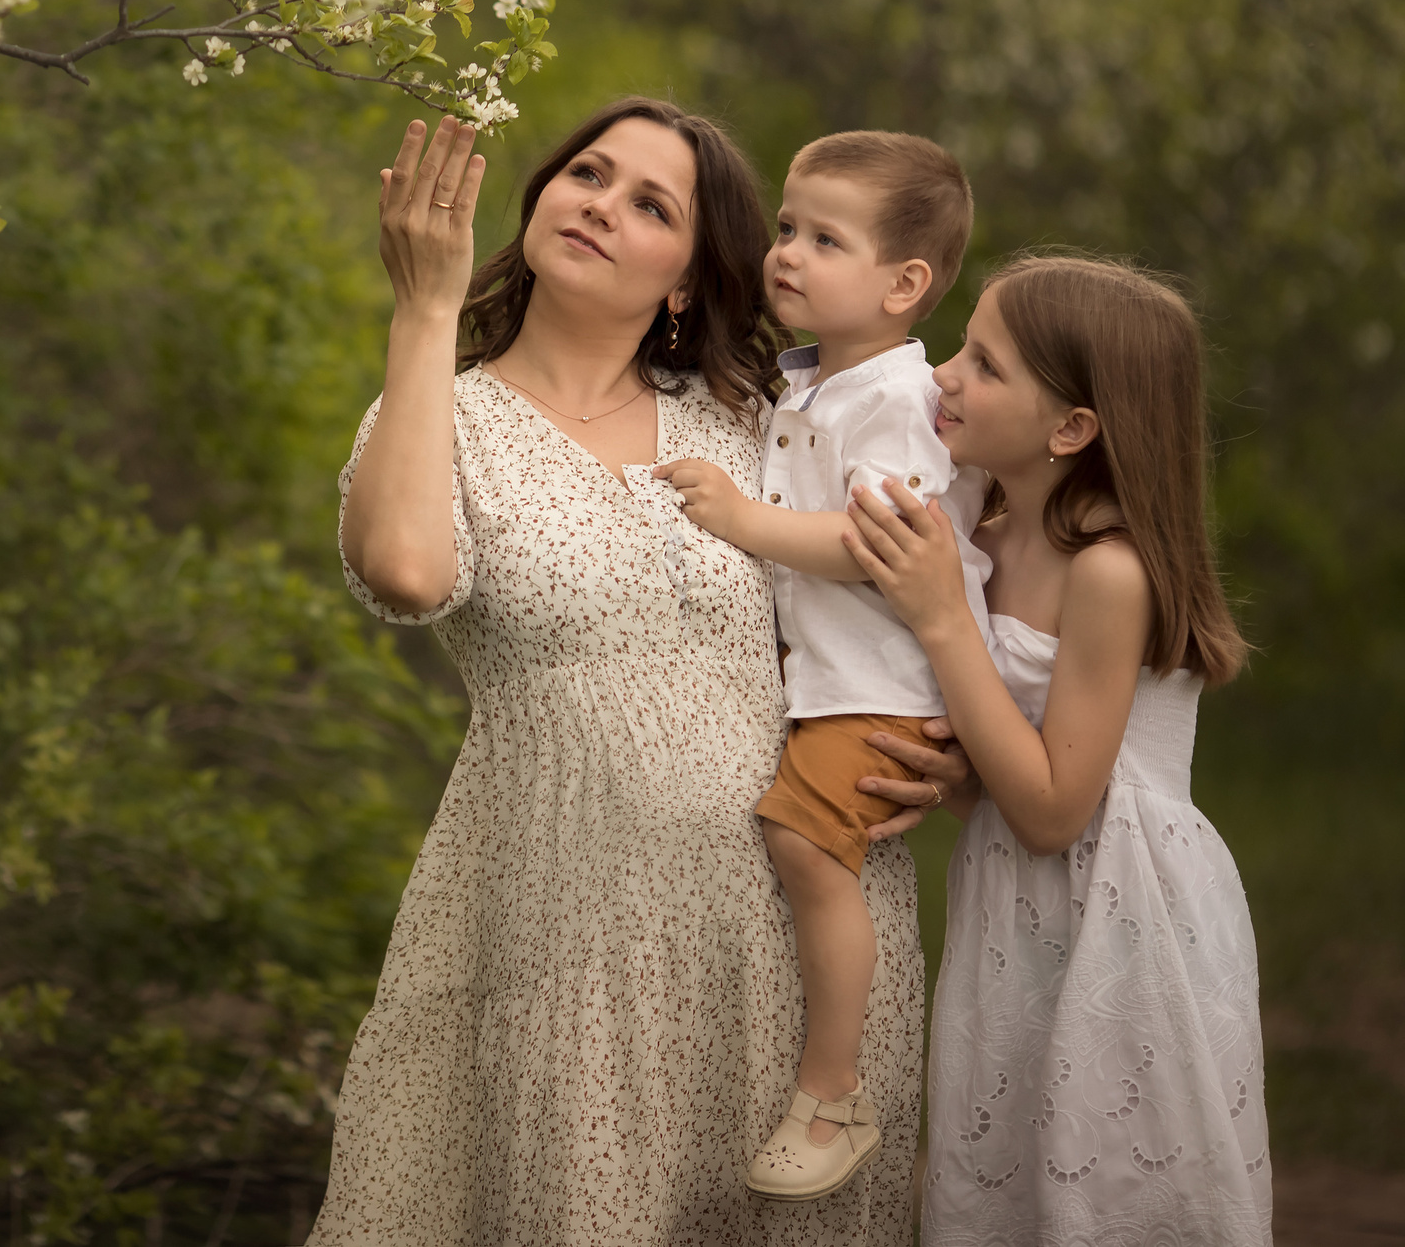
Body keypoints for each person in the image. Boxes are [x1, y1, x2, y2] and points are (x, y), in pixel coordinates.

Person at [320, 99, 967, 1247]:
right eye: (587, 175)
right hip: (570, 940)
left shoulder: (753, 421)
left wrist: (944, 747)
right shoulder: (441, 413)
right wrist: (424, 309)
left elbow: (901, 587)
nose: (602, 205)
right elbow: (410, 573)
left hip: (795, 938)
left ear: (685, 276)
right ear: (536, 207)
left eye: (650, 203)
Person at [838, 253, 1271, 1245]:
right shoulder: (987, 524)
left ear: (1070, 429)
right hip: (1017, 912)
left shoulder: (1108, 570)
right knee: (1012, 1178)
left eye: (983, 365)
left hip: (1125, 916)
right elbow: (1012, 774)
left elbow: (1054, 811)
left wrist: (945, 619)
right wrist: (957, 777)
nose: (942, 373)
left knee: (1108, 1188)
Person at [654, 132, 996, 1202]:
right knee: (798, 846)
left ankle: (832, 1089)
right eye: (788, 228)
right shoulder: (814, 382)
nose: (787, 253)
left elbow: (872, 546)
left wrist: (738, 516)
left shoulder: (895, 398)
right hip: (837, 678)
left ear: (905, 285)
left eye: (824, 238)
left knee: (802, 845)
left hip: (882, 685)